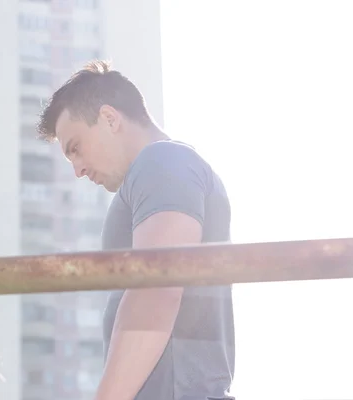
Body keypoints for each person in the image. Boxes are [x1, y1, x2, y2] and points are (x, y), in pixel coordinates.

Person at [36, 60, 235, 400]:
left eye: (75, 148)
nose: (78, 170)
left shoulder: (162, 161)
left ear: (109, 119)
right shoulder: (160, 168)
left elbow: (156, 289)